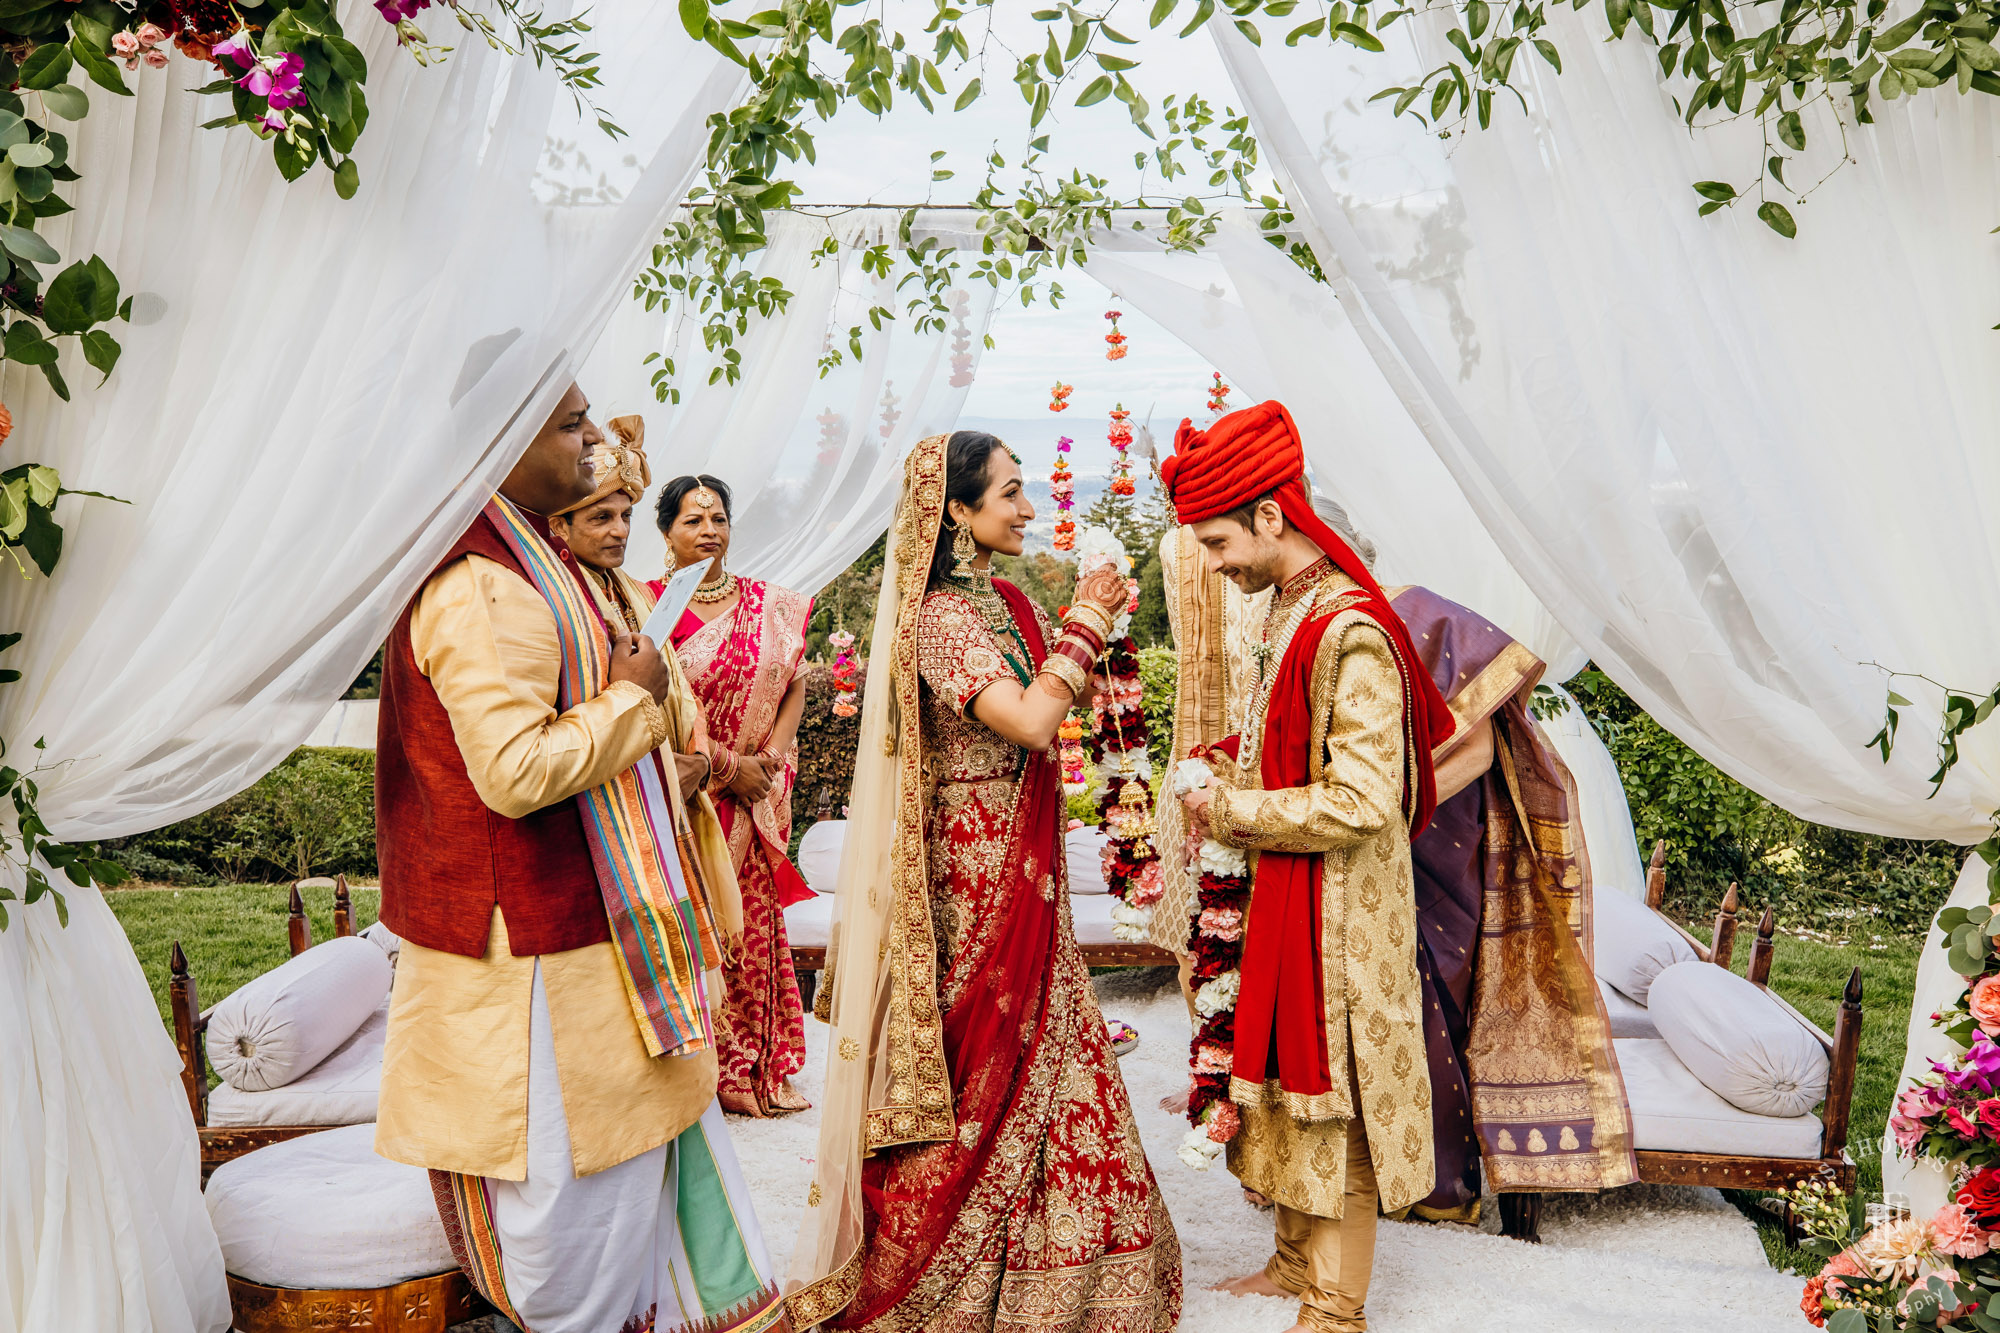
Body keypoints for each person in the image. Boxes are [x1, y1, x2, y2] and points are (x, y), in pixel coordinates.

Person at [372, 384, 787, 1333]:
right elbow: (515, 772)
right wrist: (633, 697)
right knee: (577, 1213)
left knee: (626, 1186)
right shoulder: (483, 585)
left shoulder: (540, 569)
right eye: (570, 424)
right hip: (535, 960)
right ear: (503, 442)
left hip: (579, 940)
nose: (594, 439)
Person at [785, 430, 1182, 1333]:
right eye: (1009, 492)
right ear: (957, 512)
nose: (1028, 507)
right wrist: (1086, 617)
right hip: (973, 878)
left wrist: (1081, 629)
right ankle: (957, 1277)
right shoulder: (938, 619)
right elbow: (1031, 719)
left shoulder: (1003, 601)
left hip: (1026, 862)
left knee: (1059, 1045)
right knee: (983, 1063)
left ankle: (1080, 1266)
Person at [1155, 495, 1637, 1226]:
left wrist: (1387, 807)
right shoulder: (1304, 628)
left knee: (1432, 1000)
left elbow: (1476, 747)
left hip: (1436, 841)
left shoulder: (1410, 620)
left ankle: (1436, 1184)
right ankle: (1360, 1179)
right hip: (1363, 846)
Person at [1169, 401, 1452, 1333]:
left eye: (1217, 542)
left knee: (1336, 1099)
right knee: (1285, 1081)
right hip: (1290, 889)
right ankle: (1294, 1262)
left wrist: (1231, 809)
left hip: (1339, 907)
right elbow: (1277, 746)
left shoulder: (1349, 630)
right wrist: (1226, 766)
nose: (1216, 564)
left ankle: (1337, 1307)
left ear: (1270, 515)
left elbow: (1364, 798)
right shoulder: (1290, 610)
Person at [652, 474, 816, 1117]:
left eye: (718, 518)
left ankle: (751, 1066)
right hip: (685, 796)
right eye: (693, 521)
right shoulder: (648, 606)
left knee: (747, 932)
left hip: (752, 797)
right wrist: (723, 767)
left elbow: (795, 680)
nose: (709, 532)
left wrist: (767, 761)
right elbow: (648, 703)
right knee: (693, 931)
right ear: (666, 531)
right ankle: (698, 1072)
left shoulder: (769, 604)